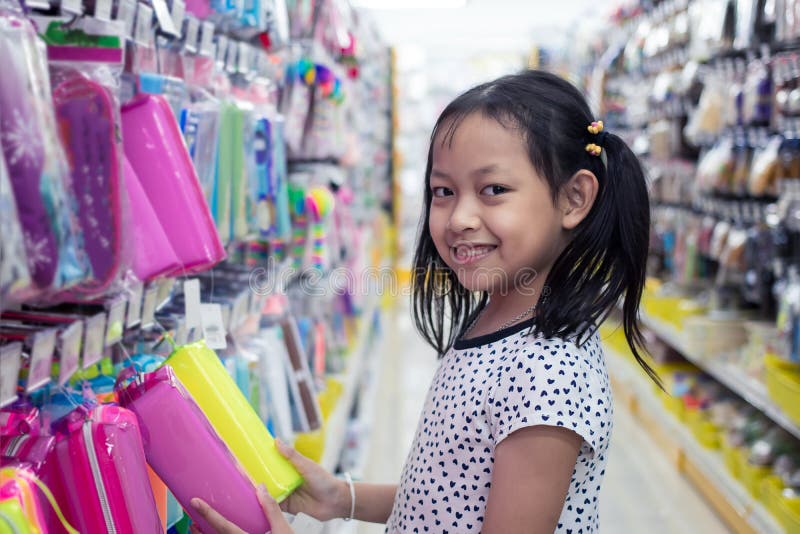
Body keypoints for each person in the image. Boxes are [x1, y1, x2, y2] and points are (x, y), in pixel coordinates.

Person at [192, 69, 658, 533]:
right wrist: (342, 497)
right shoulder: (498, 317)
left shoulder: (550, 373)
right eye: (443, 192)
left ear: (574, 198)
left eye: (493, 190)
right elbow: (449, 494)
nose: (459, 218)